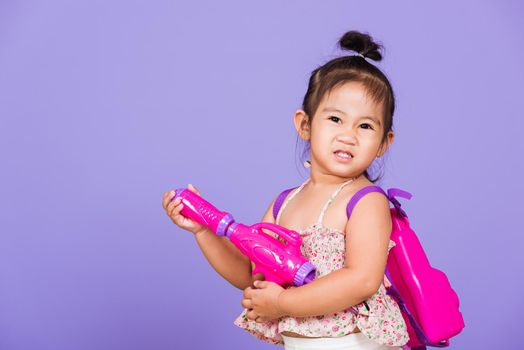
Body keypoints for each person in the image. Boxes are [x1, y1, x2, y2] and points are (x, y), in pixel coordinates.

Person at [162, 30, 410, 350]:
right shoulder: (285, 203)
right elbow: (251, 274)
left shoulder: (365, 202)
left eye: (365, 126)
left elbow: (361, 280)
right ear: (305, 124)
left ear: (383, 143)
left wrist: (282, 305)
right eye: (335, 119)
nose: (348, 135)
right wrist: (203, 231)